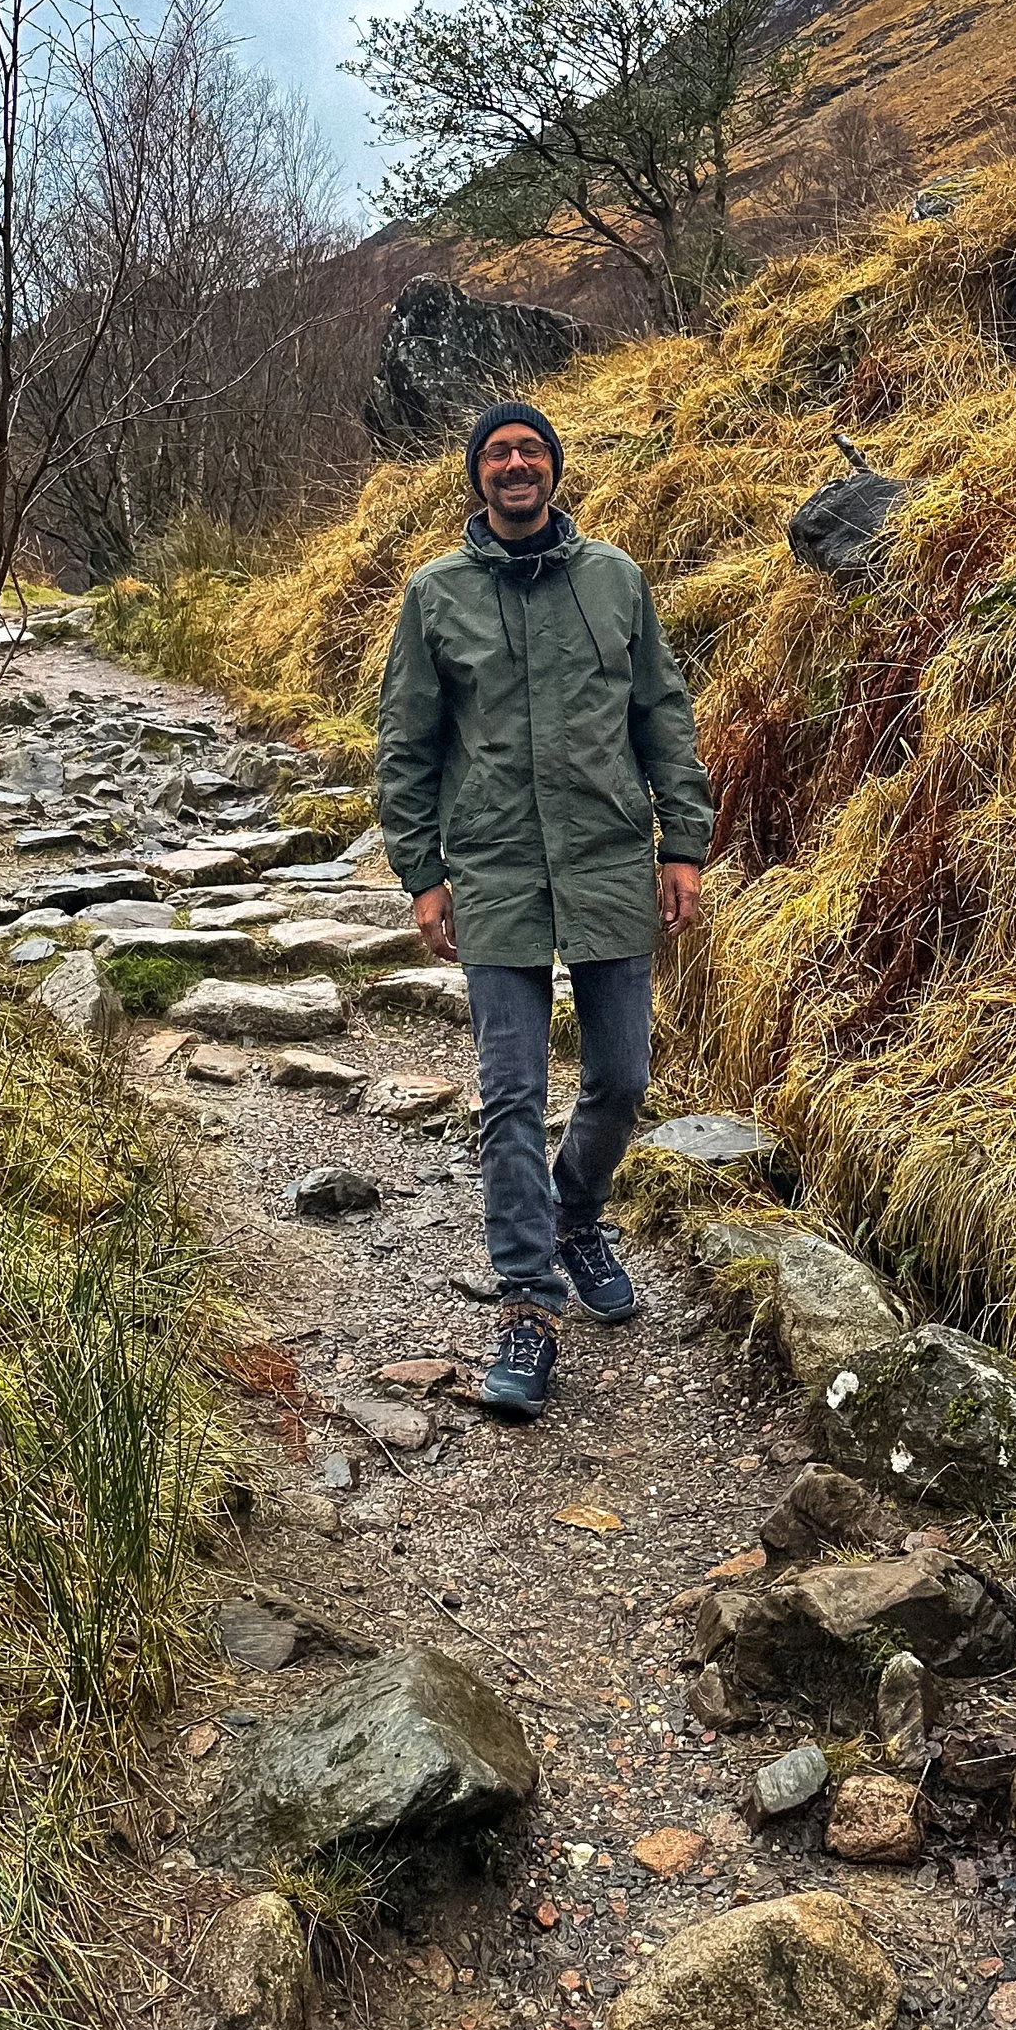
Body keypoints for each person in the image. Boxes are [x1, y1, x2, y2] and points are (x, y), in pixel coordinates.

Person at [374, 397, 714, 1421]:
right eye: (497, 453)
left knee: (620, 1077)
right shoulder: (435, 596)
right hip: (493, 871)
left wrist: (683, 842)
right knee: (511, 1092)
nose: (515, 465)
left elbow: (662, 714)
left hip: (610, 860)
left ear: (552, 470)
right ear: (477, 477)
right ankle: (527, 1303)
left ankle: (576, 1214)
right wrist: (422, 874)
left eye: (530, 451)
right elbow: (406, 746)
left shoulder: (615, 581)